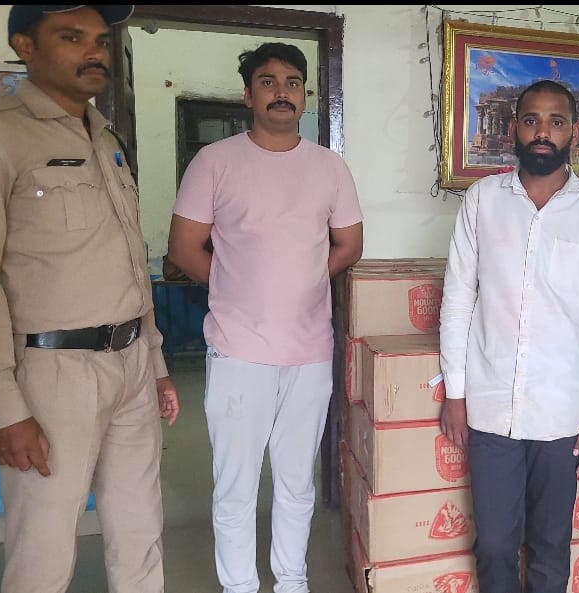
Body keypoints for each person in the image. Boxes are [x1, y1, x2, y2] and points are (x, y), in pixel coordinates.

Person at [0, 5, 180, 593]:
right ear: (25, 45)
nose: (93, 51)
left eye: (99, 39)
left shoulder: (106, 137)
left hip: (132, 363)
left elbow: (131, 260)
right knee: (43, 548)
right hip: (53, 373)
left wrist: (156, 363)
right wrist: (3, 407)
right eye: (71, 37)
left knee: (140, 532)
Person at [167, 42, 363, 593]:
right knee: (236, 486)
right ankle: (239, 586)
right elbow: (183, 248)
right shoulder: (215, 162)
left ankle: (292, 581)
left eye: (293, 82)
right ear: (248, 95)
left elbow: (349, 245)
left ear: (305, 94)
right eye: (269, 82)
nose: (282, 92)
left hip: (309, 351)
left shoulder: (329, 167)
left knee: (297, 483)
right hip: (238, 351)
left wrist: (306, 278)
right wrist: (236, 287)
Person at [439, 79, 579, 593]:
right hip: (490, 405)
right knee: (496, 545)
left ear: (574, 133)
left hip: (563, 412)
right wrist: (455, 393)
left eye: (556, 122)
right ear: (513, 129)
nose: (543, 132)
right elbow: (457, 301)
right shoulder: (482, 200)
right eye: (531, 121)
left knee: (549, 546)